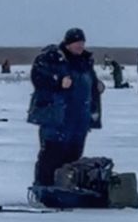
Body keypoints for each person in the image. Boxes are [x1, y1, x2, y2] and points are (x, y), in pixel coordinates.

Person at [29, 28, 102, 187]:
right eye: (77, 43)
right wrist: (58, 82)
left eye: (82, 43)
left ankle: (66, 186)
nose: (80, 46)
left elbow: (90, 86)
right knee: (51, 155)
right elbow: (38, 77)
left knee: (73, 156)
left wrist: (96, 88)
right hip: (56, 118)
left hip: (79, 120)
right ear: (68, 43)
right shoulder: (53, 58)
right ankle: (44, 187)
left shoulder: (85, 63)